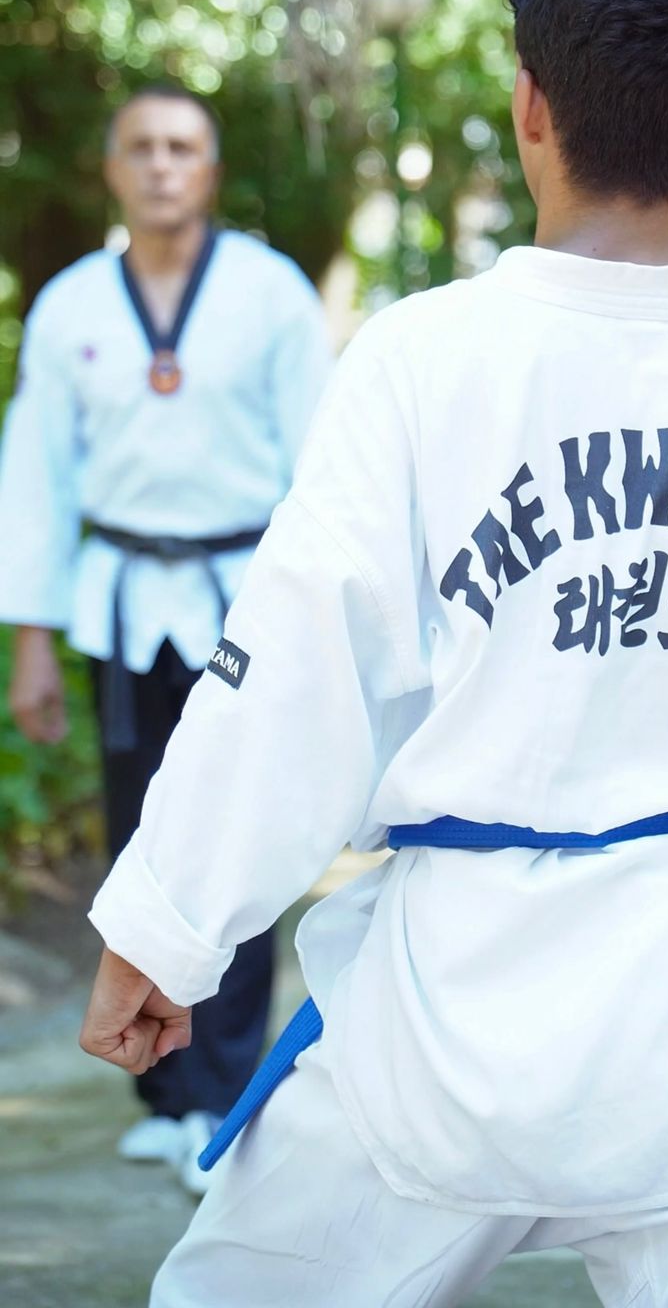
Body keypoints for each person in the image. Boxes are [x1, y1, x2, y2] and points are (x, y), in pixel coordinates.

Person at [80, 0, 668, 1305]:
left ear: (530, 106)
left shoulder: (421, 361)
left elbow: (292, 675)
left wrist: (165, 931)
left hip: (441, 1028)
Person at [0, 84, 333, 1196]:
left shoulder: (269, 293)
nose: (159, 165)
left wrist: (322, 623)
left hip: (246, 595)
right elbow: (37, 478)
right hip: (123, 601)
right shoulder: (70, 306)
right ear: (111, 168)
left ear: (211, 169)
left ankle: (225, 1090)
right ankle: (161, 1089)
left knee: (241, 833)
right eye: (140, 147)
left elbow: (322, 464)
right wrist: (32, 638)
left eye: (181, 147)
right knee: (140, 834)